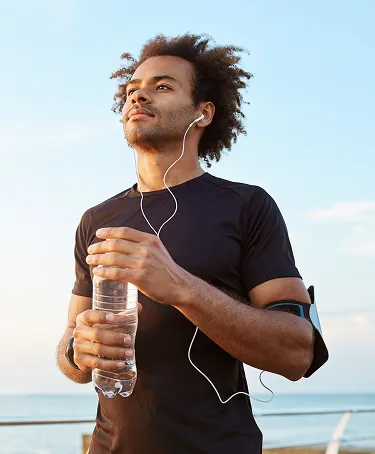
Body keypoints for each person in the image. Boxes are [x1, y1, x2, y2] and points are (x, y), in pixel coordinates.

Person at [57, 34, 327, 454]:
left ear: (203, 113)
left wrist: (182, 287)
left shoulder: (247, 206)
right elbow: (70, 352)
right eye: (132, 89)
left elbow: (298, 352)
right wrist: (79, 349)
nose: (139, 94)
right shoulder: (96, 220)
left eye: (162, 86)